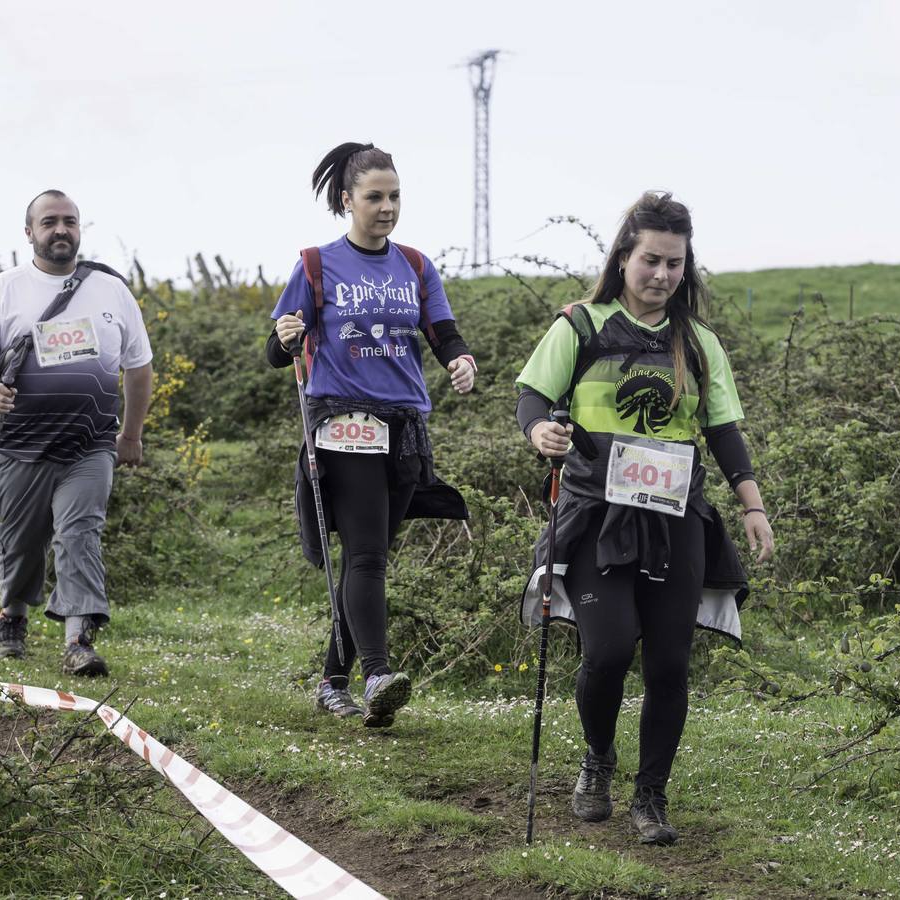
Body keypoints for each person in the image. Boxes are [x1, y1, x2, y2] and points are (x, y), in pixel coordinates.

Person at [515, 191, 775, 844]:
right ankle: (597, 759)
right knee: (605, 651)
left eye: (675, 264)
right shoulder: (580, 325)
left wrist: (753, 506)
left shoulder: (699, 343)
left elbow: (724, 432)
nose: (661, 276)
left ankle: (651, 797)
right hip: (596, 514)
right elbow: (532, 396)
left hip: (675, 518)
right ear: (625, 255)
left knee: (668, 664)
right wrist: (541, 430)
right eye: (650, 261)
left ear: (687, 268)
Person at [267, 142, 477, 728]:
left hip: (406, 426)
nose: (387, 208)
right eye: (374, 197)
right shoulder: (315, 263)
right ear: (347, 200)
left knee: (372, 557)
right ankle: (378, 675)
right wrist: (286, 336)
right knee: (366, 555)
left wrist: (461, 362)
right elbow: (275, 351)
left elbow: (444, 333)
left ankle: (332, 680)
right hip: (343, 422)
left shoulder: (415, 265)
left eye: (394, 196)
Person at [0, 189, 153, 672]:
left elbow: (139, 366)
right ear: (29, 233)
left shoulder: (112, 291)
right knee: (20, 542)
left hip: (91, 444)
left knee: (79, 532)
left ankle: (78, 639)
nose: (61, 229)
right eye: (49, 222)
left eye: (70, 221)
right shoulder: (4, 289)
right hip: (20, 443)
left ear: (80, 229)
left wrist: (131, 434)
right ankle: (12, 615)